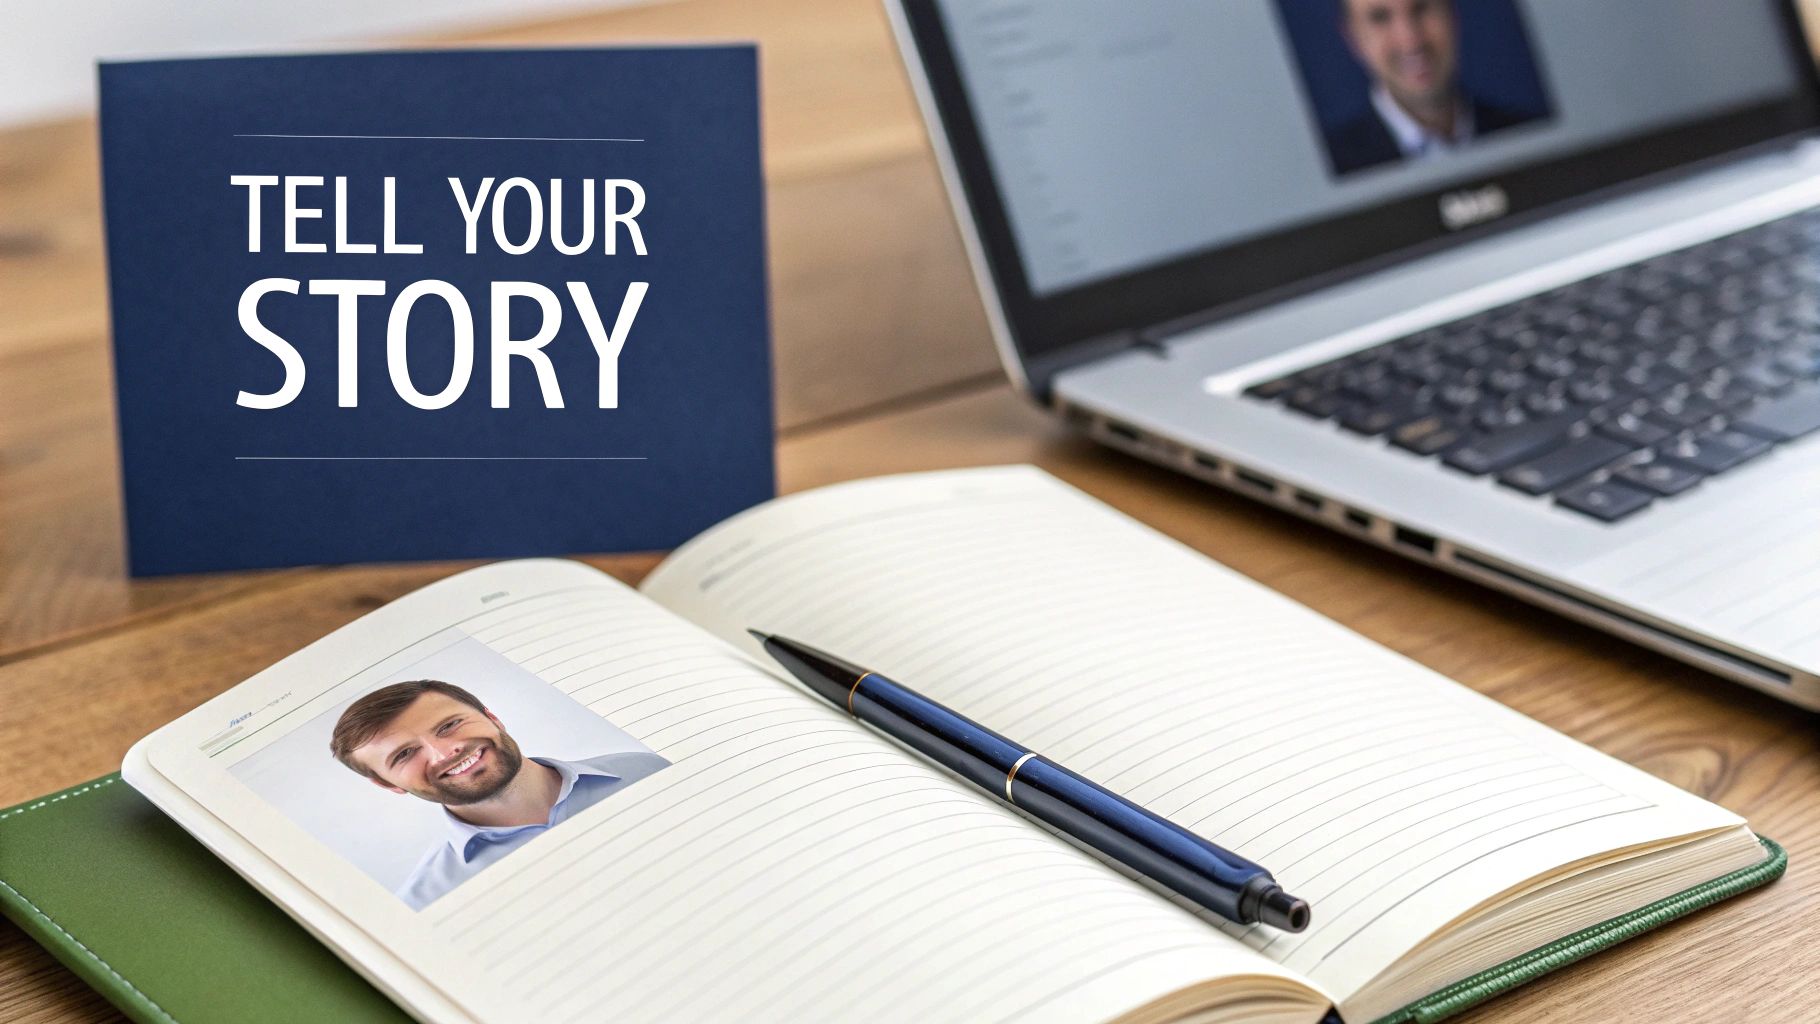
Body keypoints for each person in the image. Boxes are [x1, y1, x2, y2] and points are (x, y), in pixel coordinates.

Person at [330, 679, 670, 909]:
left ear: (493, 718)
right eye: (404, 754)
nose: (444, 752)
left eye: (449, 726)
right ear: (388, 784)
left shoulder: (649, 769)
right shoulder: (426, 904)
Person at [1326, 0, 1539, 175]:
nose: (1410, 40)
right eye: (1380, 17)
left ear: (1452, 13)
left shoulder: (1531, 136)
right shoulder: (1336, 167)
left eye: (1421, 7)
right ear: (1354, 39)